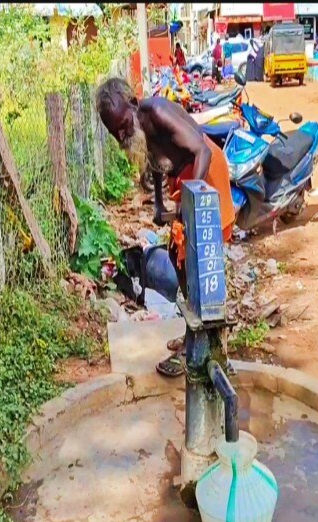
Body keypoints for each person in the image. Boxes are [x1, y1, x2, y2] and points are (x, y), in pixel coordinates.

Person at [95, 78, 235, 377]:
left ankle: (204, 347)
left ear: (133, 103)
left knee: (196, 265)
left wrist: (190, 208)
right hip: (185, 183)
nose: (122, 134)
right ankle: (192, 336)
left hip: (206, 178)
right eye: (114, 132)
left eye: (123, 124)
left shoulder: (157, 111)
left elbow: (202, 152)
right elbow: (156, 163)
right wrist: (159, 205)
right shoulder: (136, 130)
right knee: (176, 259)